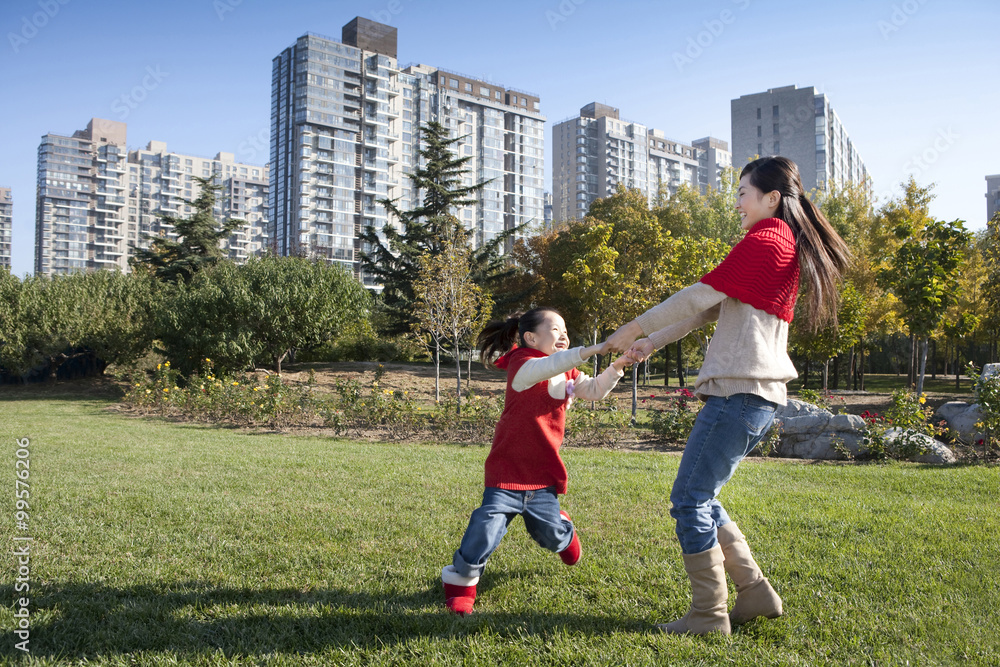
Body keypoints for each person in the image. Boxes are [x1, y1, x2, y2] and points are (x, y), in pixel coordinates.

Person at [605, 156, 850, 636]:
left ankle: (708, 614)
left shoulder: (766, 240)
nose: (736, 202)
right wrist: (649, 342)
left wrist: (635, 324)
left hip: (739, 394)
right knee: (704, 496)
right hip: (755, 396)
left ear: (772, 198)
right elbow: (709, 309)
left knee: (689, 499)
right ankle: (755, 594)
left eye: (743, 192)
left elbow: (697, 296)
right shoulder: (779, 243)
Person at [442, 307, 633, 615]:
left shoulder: (567, 371)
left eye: (566, 330)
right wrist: (589, 350)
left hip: (543, 472)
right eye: (555, 329)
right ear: (531, 337)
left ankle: (564, 530)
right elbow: (545, 368)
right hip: (507, 469)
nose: (564, 335)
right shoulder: (522, 364)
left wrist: (619, 366)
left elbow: (595, 390)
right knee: (486, 526)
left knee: (549, 535)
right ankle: (462, 581)